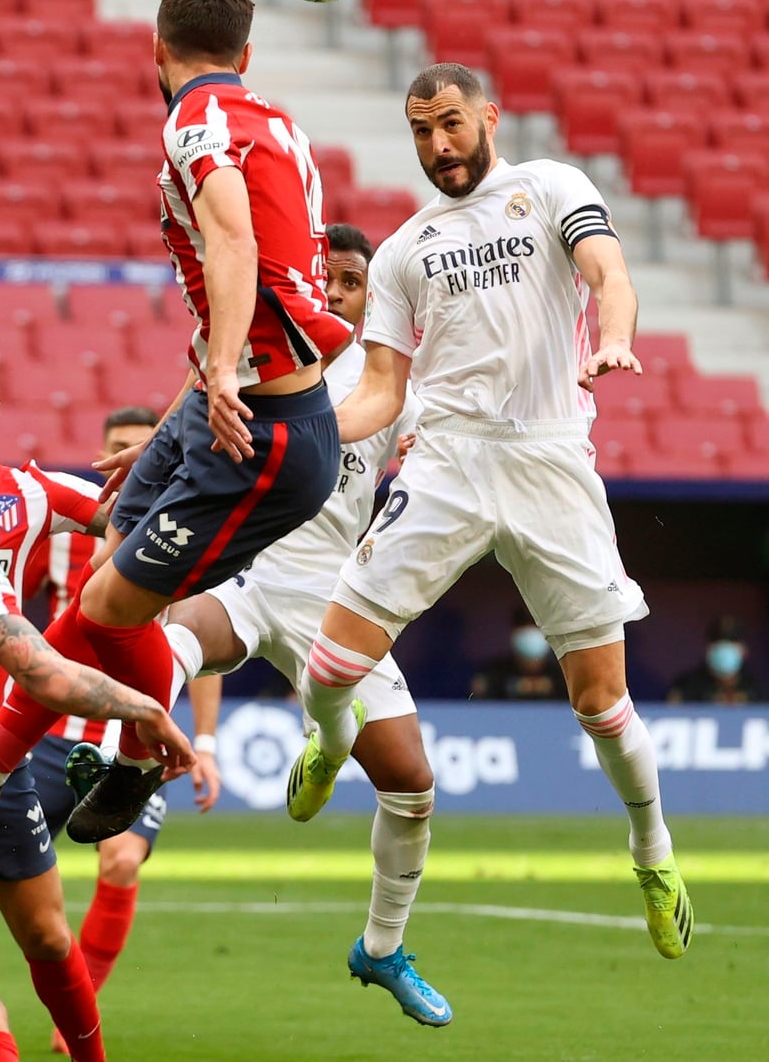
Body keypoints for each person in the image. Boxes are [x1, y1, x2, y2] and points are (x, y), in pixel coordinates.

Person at [286, 62, 694, 963]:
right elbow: (382, 392)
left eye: (452, 125)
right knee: (327, 668)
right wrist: (305, 426)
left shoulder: (550, 188)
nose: (439, 145)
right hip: (447, 464)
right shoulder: (402, 251)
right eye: (422, 131)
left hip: (549, 458)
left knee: (601, 702)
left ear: (489, 118)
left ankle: (653, 855)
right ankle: (327, 740)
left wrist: (616, 337)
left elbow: (607, 272)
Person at [0, 0, 351, 841]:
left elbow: (233, 240)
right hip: (228, 402)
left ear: (156, 48)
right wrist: (180, 415)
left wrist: (220, 374)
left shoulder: (194, 120)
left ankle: (143, 756)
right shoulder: (279, 126)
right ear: (246, 54)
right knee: (109, 542)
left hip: (266, 431)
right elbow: (255, 280)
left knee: (109, 606)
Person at [163, 222, 452, 1026]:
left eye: (351, 281)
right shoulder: (261, 357)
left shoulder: (392, 383)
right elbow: (194, 410)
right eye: (323, 274)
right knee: (173, 635)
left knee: (414, 788)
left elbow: (443, 459)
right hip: (254, 568)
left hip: (340, 594)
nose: (333, 289)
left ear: (370, 297)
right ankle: (118, 755)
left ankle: (382, 947)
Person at [0, 406, 222, 1057]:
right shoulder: (19, 545)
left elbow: (188, 648)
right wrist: (142, 710)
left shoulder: (35, 506)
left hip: (23, 748)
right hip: (48, 730)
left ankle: (77, 1043)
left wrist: (191, 731)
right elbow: (43, 668)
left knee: (62, 922)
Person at [471, 605, 565, 700]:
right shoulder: (497, 672)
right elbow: (481, 689)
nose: (531, 640)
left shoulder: (563, 673)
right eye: (525, 638)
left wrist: (550, 686)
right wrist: (513, 686)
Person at [667, 614, 762, 704]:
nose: (725, 647)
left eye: (732, 641)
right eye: (718, 641)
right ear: (708, 648)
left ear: (744, 649)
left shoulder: (756, 688)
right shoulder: (687, 686)